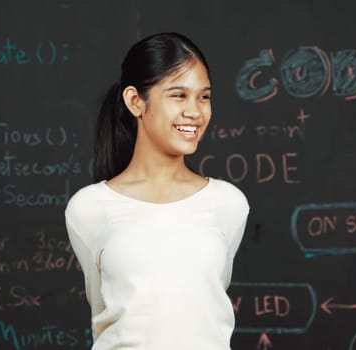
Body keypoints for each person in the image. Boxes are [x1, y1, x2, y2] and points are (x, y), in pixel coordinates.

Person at [65, 32, 249, 349]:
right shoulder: (89, 208)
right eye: (178, 95)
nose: (195, 111)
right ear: (135, 101)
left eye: (203, 97)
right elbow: (104, 310)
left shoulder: (228, 203)